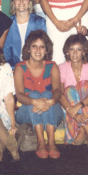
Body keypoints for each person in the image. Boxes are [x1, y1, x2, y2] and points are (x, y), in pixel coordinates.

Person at [14, 30, 64, 159]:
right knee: (35, 94)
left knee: (47, 93)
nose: (38, 50)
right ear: (29, 49)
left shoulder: (52, 66)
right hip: (26, 112)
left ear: (47, 50)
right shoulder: (20, 67)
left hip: (51, 109)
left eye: (42, 47)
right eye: (34, 46)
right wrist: (35, 102)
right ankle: (41, 142)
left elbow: (58, 90)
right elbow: (19, 95)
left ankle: (51, 142)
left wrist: (52, 101)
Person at [3, 0, 46, 69]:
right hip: (13, 68)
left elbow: (44, 49)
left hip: (36, 67)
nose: (21, 1)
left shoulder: (40, 23)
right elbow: (6, 53)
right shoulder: (7, 24)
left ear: (30, 2)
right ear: (13, 3)